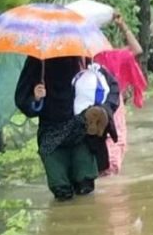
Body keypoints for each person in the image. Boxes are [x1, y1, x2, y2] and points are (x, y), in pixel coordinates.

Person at [15, 56, 120, 201]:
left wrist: (103, 110)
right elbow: (22, 98)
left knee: (85, 186)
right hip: (51, 133)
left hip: (81, 131)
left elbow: (111, 88)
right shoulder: (38, 59)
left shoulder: (82, 55)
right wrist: (36, 99)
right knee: (61, 190)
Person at [92, 13, 147, 176]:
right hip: (104, 105)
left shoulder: (110, 57)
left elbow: (137, 50)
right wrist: (122, 26)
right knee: (114, 140)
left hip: (105, 106)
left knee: (112, 140)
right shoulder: (85, 59)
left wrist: (123, 26)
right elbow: (137, 50)